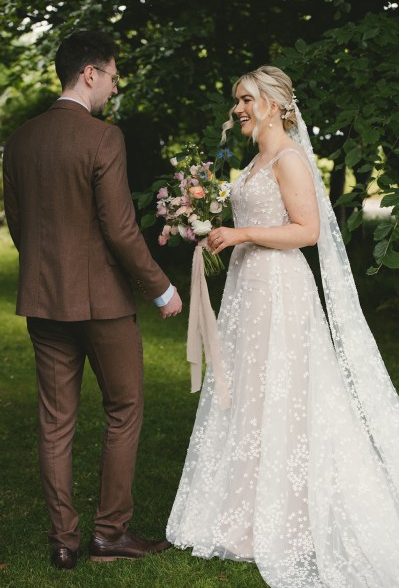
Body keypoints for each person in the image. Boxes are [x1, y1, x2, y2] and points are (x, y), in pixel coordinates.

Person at [167, 66, 399, 587]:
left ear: (274, 103)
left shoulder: (291, 158)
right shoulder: (256, 160)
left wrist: (241, 231)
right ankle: (245, 516)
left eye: (246, 99)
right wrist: (211, 229)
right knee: (249, 396)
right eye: (236, 101)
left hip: (280, 290)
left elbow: (308, 230)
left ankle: (287, 517)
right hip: (250, 289)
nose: (238, 109)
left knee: (284, 395)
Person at [3, 30, 182, 570]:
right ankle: (110, 534)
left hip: (42, 300)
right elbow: (122, 230)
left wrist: (41, 269)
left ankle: (64, 543)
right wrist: (161, 287)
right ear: (90, 73)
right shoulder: (104, 137)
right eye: (112, 76)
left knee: (55, 423)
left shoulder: (20, 139)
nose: (113, 87)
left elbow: (17, 221)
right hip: (103, 303)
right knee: (123, 409)